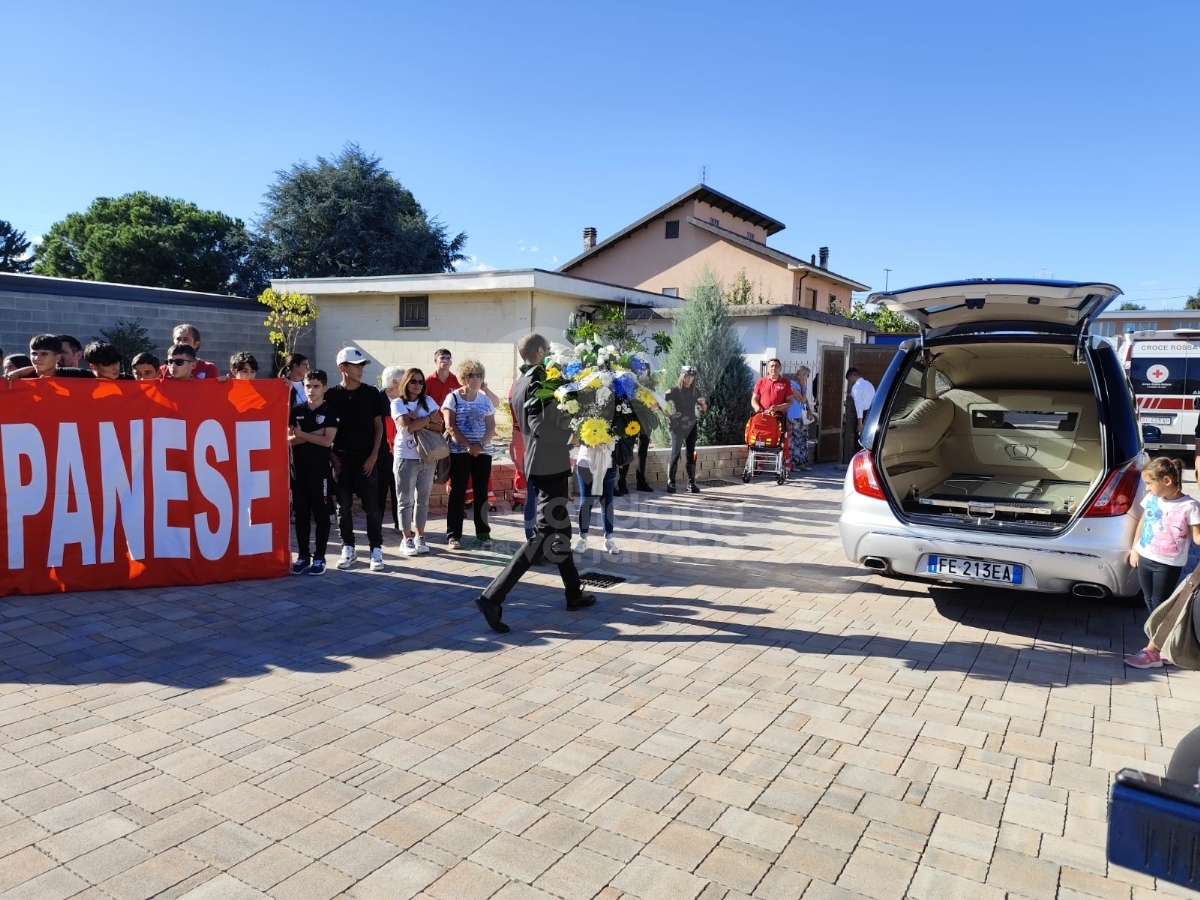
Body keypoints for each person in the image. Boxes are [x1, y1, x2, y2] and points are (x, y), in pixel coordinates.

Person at [473, 333, 597, 633]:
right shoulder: (540, 379)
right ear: (540, 351)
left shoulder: (520, 382)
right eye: (548, 350)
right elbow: (538, 424)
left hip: (540, 463)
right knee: (542, 535)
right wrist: (572, 436)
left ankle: (573, 593)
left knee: (560, 532)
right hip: (548, 465)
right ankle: (493, 596)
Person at [1124, 457, 1200, 669]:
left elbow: (1197, 538)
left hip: (1167, 564)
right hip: (1146, 556)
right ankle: (1162, 644)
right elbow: (1143, 521)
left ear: (1166, 480)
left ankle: (1154, 652)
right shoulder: (1152, 499)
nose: (1147, 488)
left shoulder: (1190, 506)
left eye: (1149, 483)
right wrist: (1135, 548)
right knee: (1150, 602)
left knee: (1160, 603)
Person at [324, 347, 387, 572]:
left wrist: (373, 457)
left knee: (372, 508)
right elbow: (324, 429)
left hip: (366, 461)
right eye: (355, 366)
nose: (360, 370)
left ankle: (375, 550)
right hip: (341, 461)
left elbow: (379, 427)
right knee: (344, 507)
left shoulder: (371, 393)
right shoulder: (331, 395)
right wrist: (331, 456)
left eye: (362, 366)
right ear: (342, 368)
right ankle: (348, 548)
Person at [385, 366, 442, 557]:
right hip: (405, 457)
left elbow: (439, 425)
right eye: (413, 381)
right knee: (405, 500)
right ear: (405, 383)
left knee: (423, 500)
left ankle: (420, 536)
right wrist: (427, 420)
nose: (417, 385)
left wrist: (419, 420)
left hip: (427, 456)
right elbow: (406, 427)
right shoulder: (397, 403)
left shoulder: (428, 400)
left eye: (420, 381)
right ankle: (406, 538)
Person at [288, 368, 339, 576]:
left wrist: (302, 434)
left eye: (316, 386)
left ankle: (319, 556)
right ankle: (303, 556)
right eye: (308, 386)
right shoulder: (296, 409)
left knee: (321, 515)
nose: (311, 390)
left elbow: (327, 441)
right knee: (300, 515)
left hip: (320, 473)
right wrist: (313, 434)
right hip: (297, 472)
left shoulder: (330, 411)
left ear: (324, 388)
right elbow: (289, 440)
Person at [443, 359, 496, 550]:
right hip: (459, 452)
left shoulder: (485, 399)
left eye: (479, 375)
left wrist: (480, 445)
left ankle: (483, 533)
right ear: (463, 377)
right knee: (458, 493)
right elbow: (450, 425)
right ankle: (453, 535)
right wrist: (467, 445)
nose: (476, 379)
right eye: (472, 375)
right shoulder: (453, 398)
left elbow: (491, 425)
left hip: (482, 452)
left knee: (482, 493)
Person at [666, 365, 708, 493]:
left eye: (692, 376)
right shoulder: (674, 390)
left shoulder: (696, 391)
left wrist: (703, 403)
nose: (689, 378)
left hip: (691, 425)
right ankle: (671, 483)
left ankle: (691, 483)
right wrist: (670, 415)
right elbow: (661, 403)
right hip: (678, 425)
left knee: (691, 454)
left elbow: (704, 409)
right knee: (675, 453)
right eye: (687, 375)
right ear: (682, 375)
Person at [573, 443, 618, 554]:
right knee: (586, 502)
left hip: (607, 463)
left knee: (607, 502)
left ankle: (609, 539)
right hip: (585, 463)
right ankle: (582, 538)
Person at [23, 334, 94, 378]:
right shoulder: (20, 378)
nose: (37, 358)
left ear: (57, 357)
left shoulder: (78, 375)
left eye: (44, 354)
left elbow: (102, 375)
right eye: (34, 353)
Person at [787, 366, 813, 472]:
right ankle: (793, 464)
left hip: (801, 415)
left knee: (803, 439)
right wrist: (803, 387)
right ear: (800, 375)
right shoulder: (792, 385)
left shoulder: (802, 386)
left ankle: (802, 462)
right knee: (794, 440)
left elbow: (805, 401)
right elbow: (802, 399)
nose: (806, 378)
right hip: (793, 415)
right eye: (806, 375)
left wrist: (809, 410)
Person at [846, 367, 876, 438]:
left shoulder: (855, 387)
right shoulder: (869, 384)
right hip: (872, 414)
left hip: (863, 415)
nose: (850, 382)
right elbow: (866, 397)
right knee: (868, 438)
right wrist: (852, 395)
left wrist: (860, 423)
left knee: (859, 440)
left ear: (852, 377)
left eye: (849, 380)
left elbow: (859, 405)